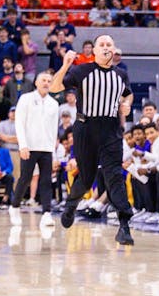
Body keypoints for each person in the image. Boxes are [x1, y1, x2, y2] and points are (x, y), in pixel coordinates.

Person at [49, 35, 136, 245]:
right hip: (86, 128)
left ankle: (124, 226)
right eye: (102, 45)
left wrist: (127, 104)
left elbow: (128, 94)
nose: (106, 48)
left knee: (114, 175)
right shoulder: (81, 71)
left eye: (109, 44)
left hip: (111, 129)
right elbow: (54, 88)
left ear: (114, 50)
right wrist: (65, 65)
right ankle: (71, 204)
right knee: (87, 177)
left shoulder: (121, 74)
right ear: (94, 51)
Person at [13, 72, 59, 229]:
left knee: (46, 181)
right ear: (36, 82)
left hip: (46, 148)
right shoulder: (26, 99)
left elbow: (54, 128)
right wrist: (22, 145)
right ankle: (14, 207)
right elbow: (19, 123)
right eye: (43, 80)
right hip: (29, 147)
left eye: (49, 81)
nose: (46, 83)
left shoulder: (54, 103)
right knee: (25, 178)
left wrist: (53, 147)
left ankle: (47, 213)